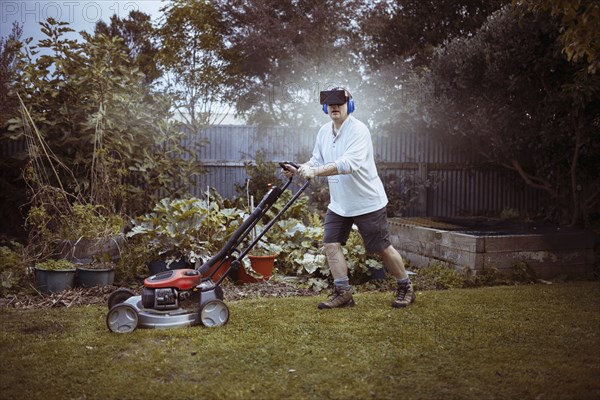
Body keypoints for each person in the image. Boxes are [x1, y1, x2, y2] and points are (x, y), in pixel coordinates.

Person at [282, 88, 415, 309]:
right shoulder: (324, 131)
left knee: (381, 247)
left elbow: (348, 165)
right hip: (340, 204)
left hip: (367, 202)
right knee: (330, 244)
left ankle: (405, 286)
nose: (334, 107)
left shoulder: (359, 131)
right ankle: (344, 293)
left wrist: (315, 172)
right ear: (325, 108)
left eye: (339, 104)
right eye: (330, 104)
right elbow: (316, 160)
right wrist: (299, 169)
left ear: (349, 106)